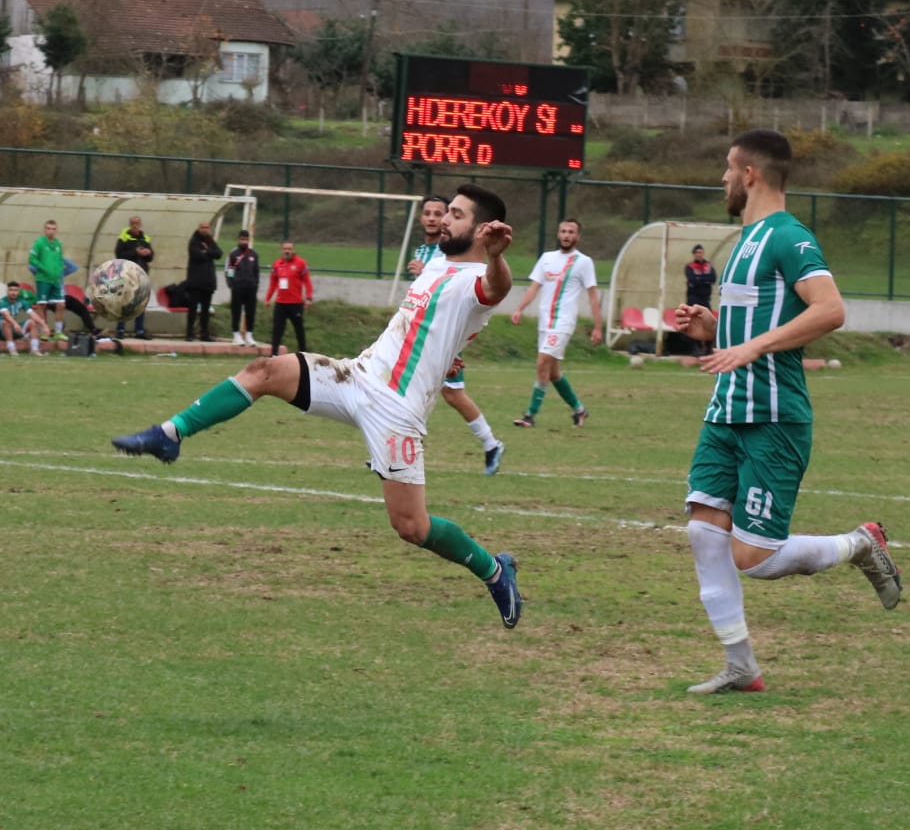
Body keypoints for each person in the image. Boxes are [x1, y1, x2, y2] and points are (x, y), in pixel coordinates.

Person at [112, 184, 524, 630]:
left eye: (456, 215)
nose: (444, 219)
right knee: (264, 370)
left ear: (483, 231)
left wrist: (498, 257)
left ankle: (496, 570)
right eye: (446, 212)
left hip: (397, 411)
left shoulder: (474, 283)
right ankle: (170, 435)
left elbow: (496, 287)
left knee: (411, 527)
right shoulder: (438, 264)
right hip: (356, 377)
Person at [672, 130, 901, 694]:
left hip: (774, 415)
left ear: (750, 174)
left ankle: (859, 544)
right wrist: (713, 329)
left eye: (729, 168)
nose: (723, 179)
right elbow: (753, 326)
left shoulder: (789, 237)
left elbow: (831, 310)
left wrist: (753, 346)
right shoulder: (744, 241)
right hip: (727, 410)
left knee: (755, 557)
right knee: (704, 532)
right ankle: (741, 666)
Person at [409, 194, 504, 475]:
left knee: (452, 394)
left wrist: (451, 350)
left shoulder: (448, 250)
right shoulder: (422, 250)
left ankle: (490, 443)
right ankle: (397, 444)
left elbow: (464, 290)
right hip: (424, 334)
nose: (434, 218)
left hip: (443, 337)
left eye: (441, 213)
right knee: (422, 388)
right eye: (428, 213)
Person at [508, 219, 602, 428]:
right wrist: (519, 308)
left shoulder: (583, 262)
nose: (567, 235)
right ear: (558, 234)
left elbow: (593, 296)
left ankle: (530, 416)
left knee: (541, 363)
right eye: (563, 231)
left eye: (571, 232)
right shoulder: (547, 258)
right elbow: (534, 287)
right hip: (545, 322)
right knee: (553, 372)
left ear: (578, 237)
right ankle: (580, 410)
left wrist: (597, 326)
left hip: (564, 322)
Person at [266, 239, 312, 356]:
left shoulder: (300, 263)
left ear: (293, 250)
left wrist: (309, 297)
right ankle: (274, 354)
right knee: (277, 329)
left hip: (296, 303)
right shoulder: (277, 264)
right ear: (282, 250)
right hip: (280, 303)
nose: (287, 251)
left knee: (299, 329)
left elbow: (307, 282)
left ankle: (303, 354)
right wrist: (268, 298)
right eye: (285, 249)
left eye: (289, 249)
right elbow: (273, 283)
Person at [113, 215, 155, 340]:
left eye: (137, 223)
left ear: (140, 224)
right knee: (125, 302)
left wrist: (148, 253)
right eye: (133, 223)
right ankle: (120, 329)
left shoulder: (145, 238)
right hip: (127, 275)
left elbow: (151, 257)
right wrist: (135, 252)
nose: (135, 225)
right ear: (129, 224)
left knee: (140, 303)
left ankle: (140, 330)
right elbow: (119, 254)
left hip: (141, 275)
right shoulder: (123, 238)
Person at [184, 222, 222, 342]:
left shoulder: (210, 241)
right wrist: (209, 254)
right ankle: (189, 334)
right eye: (202, 227)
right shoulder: (193, 241)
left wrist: (208, 251)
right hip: (195, 281)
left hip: (208, 281)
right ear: (198, 228)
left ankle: (204, 334)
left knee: (206, 309)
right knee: (193, 308)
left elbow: (219, 253)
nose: (205, 230)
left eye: (206, 228)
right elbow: (197, 256)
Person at [226, 229, 262, 346]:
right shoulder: (233, 254)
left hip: (251, 288)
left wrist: (256, 284)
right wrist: (231, 283)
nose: (244, 241)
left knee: (250, 312)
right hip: (237, 287)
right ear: (238, 239)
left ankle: (249, 335)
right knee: (236, 311)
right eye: (242, 239)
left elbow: (256, 271)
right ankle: (236, 334)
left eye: (246, 239)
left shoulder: (254, 254)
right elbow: (229, 270)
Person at [29, 219, 66, 329]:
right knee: (42, 305)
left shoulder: (58, 244)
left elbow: (60, 259)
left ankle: (58, 332)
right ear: (45, 230)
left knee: (61, 305)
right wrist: (43, 268)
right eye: (49, 228)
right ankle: (43, 331)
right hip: (43, 279)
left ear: (56, 231)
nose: (51, 231)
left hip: (55, 280)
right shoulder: (39, 243)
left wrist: (59, 269)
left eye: (53, 229)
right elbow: (31, 258)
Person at [0, 281, 48, 355]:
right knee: (6, 322)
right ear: (7, 291)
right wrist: (16, 324)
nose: (13, 292)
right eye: (11, 290)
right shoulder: (2, 301)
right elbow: (6, 315)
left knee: (32, 322)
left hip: (12, 328)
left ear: (19, 291)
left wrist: (44, 326)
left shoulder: (21, 301)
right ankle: (12, 349)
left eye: (15, 290)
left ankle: (34, 349)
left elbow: (32, 314)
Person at [683, 242, 718, 356]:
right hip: (693, 298)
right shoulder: (690, 267)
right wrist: (703, 280)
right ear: (694, 254)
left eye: (701, 252)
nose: (699, 254)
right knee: (693, 322)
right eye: (697, 252)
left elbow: (712, 278)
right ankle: (695, 348)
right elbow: (693, 280)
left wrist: (700, 279)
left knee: (707, 321)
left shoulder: (708, 266)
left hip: (705, 299)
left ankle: (708, 348)